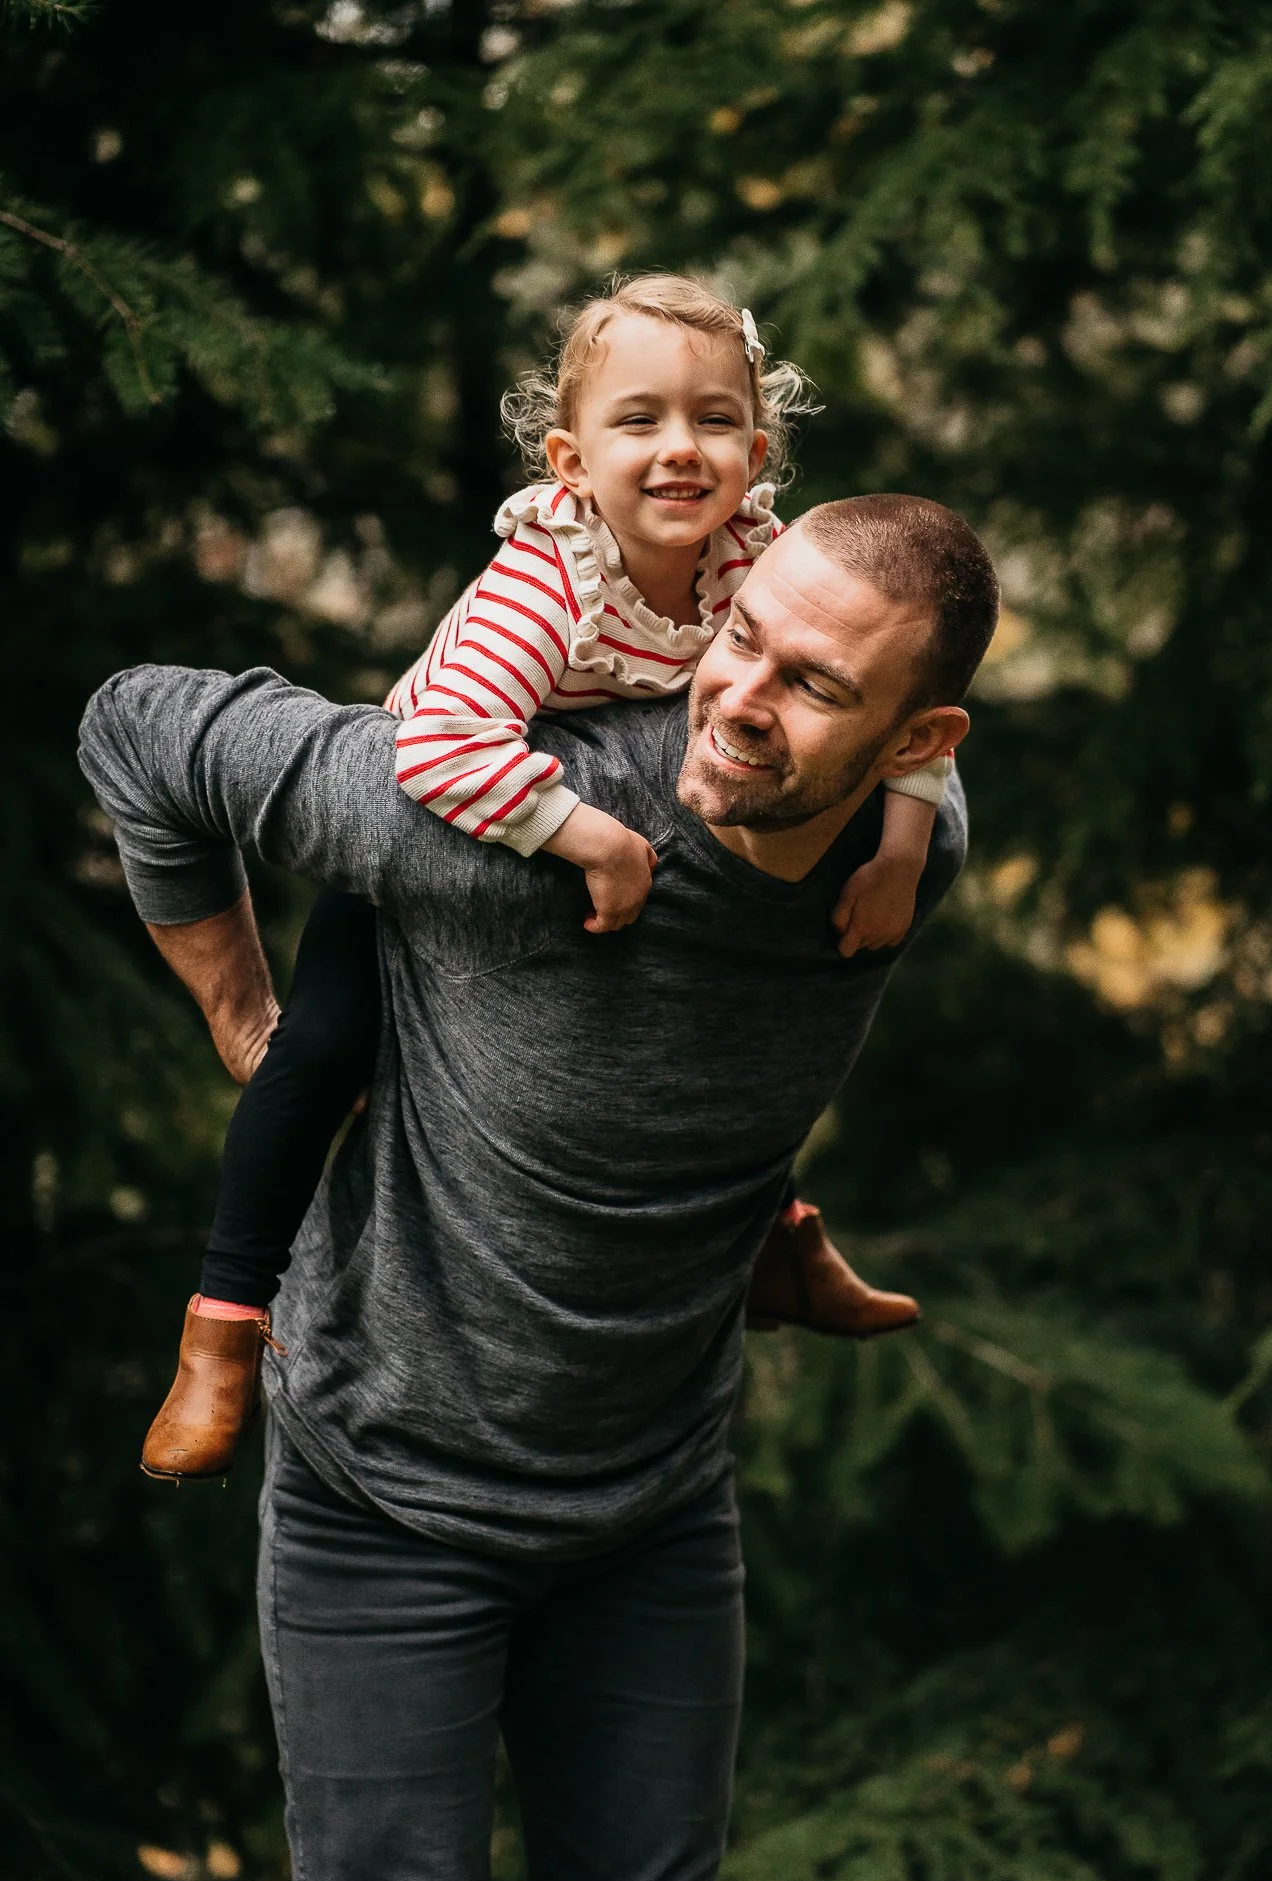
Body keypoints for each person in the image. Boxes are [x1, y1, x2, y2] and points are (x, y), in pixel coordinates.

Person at [78, 489, 993, 1881]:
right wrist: (250, 1022)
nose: (741, 702)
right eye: (739, 640)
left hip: (651, 1507)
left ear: (918, 744)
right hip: (390, 1494)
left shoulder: (897, 866)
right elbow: (139, 729)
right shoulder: (496, 823)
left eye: (815, 686)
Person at [147, 277, 952, 1484]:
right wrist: (589, 832)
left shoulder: (761, 558)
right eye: (640, 421)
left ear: (759, 446)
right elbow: (437, 749)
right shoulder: (548, 582)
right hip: (446, 830)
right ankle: (223, 1324)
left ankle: (776, 1238)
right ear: (572, 459)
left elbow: (906, 706)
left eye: (715, 420)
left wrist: (897, 850)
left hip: (652, 816)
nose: (681, 449)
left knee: (723, 1000)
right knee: (317, 1054)